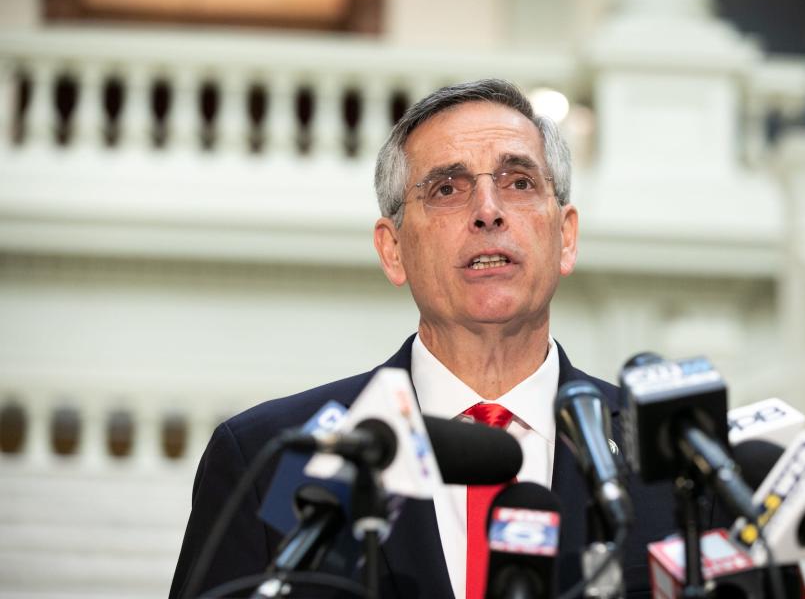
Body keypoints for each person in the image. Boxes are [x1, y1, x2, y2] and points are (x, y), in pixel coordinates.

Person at [169, 80, 695, 599]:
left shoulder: (678, 460)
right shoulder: (274, 461)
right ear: (393, 249)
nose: (489, 211)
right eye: (447, 189)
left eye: (519, 183)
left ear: (566, 236)